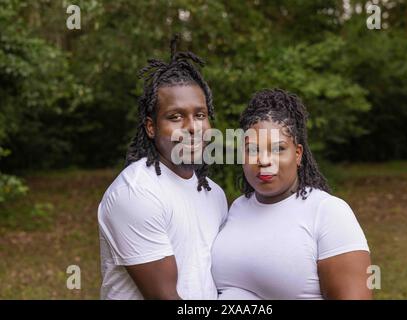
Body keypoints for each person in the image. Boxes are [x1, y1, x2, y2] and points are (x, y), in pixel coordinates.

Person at [97, 36, 228, 300]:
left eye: (200, 115)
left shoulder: (214, 194)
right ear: (151, 127)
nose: (192, 127)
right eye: (175, 116)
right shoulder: (136, 194)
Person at [212, 89, 371, 300]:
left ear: (297, 154)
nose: (264, 160)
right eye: (253, 150)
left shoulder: (328, 212)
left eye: (278, 149)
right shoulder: (238, 208)